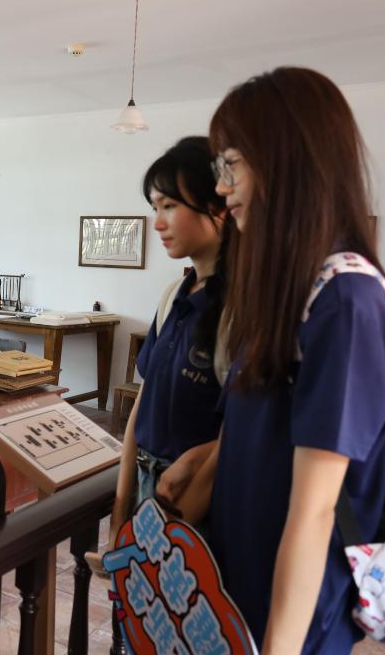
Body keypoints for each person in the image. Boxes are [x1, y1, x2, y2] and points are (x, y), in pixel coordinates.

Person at [165, 67, 385, 655]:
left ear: (285, 164)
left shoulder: (346, 300)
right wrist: (206, 456)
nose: (222, 187)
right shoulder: (294, 291)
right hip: (244, 584)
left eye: (232, 165)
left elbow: (317, 509)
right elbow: (273, 424)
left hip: (293, 613)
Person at [108, 136, 233, 543]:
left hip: (196, 501)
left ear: (218, 206)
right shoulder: (174, 295)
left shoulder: (241, 309)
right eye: (154, 208)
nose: (158, 223)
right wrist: (120, 512)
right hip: (149, 488)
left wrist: (170, 527)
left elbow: (241, 430)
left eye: (169, 206)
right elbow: (142, 404)